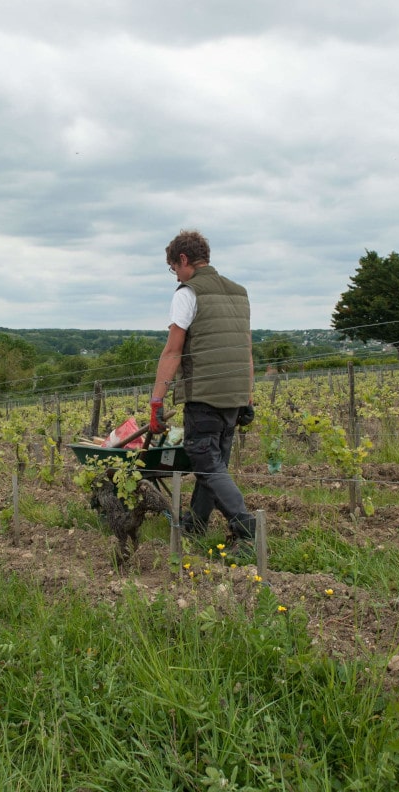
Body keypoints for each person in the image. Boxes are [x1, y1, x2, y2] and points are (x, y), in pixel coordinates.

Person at [149, 229, 257, 555]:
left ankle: (246, 529)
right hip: (234, 394)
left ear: (184, 260)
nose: (175, 276)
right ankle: (196, 524)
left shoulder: (188, 293)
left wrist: (157, 400)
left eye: (174, 268)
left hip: (204, 395)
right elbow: (246, 349)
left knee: (205, 461)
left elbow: (173, 351)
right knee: (213, 463)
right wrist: (248, 396)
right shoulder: (239, 293)